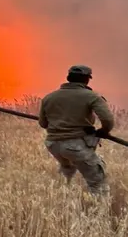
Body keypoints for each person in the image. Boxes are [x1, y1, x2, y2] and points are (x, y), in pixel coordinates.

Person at [38, 65, 115, 195]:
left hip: (53, 144)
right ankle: (101, 211)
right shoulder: (91, 96)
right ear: (86, 79)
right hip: (76, 145)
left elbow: (43, 123)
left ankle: (60, 200)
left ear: (69, 78)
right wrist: (104, 131)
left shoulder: (49, 97)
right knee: (97, 182)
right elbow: (107, 120)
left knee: (67, 172)